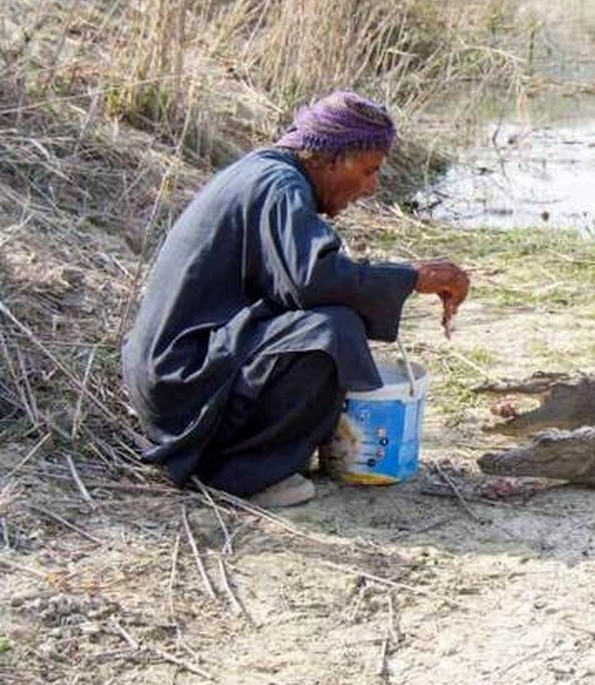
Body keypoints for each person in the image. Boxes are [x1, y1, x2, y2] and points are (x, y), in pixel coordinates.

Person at [121, 90, 470, 507]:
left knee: (328, 318)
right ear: (329, 159)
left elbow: (300, 282)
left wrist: (400, 277)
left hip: (176, 376)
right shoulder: (279, 185)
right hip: (182, 382)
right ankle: (238, 473)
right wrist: (413, 278)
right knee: (332, 330)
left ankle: (259, 453)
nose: (372, 187)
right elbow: (314, 281)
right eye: (368, 171)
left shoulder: (268, 175)